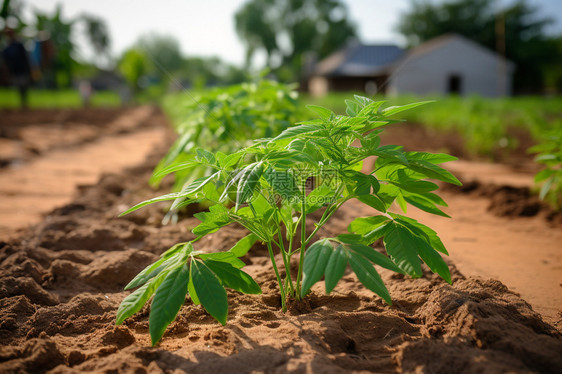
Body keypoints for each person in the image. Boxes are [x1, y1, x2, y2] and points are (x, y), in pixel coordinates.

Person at [2, 28, 32, 109]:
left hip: (22, 69)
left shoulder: (19, 45)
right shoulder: (6, 48)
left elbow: (26, 57)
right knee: (18, 87)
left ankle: (24, 104)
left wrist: (29, 69)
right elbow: (5, 62)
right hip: (14, 71)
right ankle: (22, 104)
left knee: (23, 87)